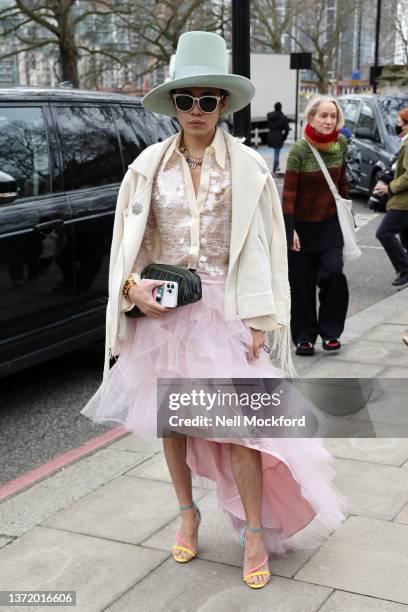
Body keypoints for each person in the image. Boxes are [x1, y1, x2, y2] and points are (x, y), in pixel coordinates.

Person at [81, 32, 345, 590]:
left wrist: (260, 319)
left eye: (207, 100)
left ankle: (253, 529)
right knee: (173, 425)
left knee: (239, 430)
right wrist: (132, 288)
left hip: (228, 311)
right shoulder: (147, 167)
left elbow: (267, 250)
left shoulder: (249, 167)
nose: (196, 110)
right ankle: (187, 513)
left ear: (223, 105)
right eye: (186, 100)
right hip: (168, 315)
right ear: (174, 104)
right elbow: (131, 244)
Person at [282, 95, 350, 356]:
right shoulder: (299, 150)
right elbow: (288, 195)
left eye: (333, 116)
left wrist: (347, 215)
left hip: (331, 224)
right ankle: (304, 336)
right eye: (323, 115)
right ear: (310, 118)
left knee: (334, 274)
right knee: (302, 284)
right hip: (301, 227)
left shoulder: (341, 144)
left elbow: (342, 182)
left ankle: (331, 331)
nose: (329, 121)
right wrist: (290, 230)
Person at [375, 107, 408, 287]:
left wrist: (390, 188)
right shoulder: (405, 143)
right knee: (406, 239)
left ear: (406, 126)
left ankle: (404, 269)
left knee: (384, 233)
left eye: (398, 123)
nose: (395, 126)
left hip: (403, 202)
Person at [266, 102, 290, 175]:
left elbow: (267, 125)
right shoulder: (283, 117)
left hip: (271, 135)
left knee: (276, 153)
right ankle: (274, 171)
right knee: (277, 154)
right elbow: (287, 129)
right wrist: (284, 137)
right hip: (279, 136)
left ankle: (277, 167)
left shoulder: (269, 116)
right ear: (280, 108)